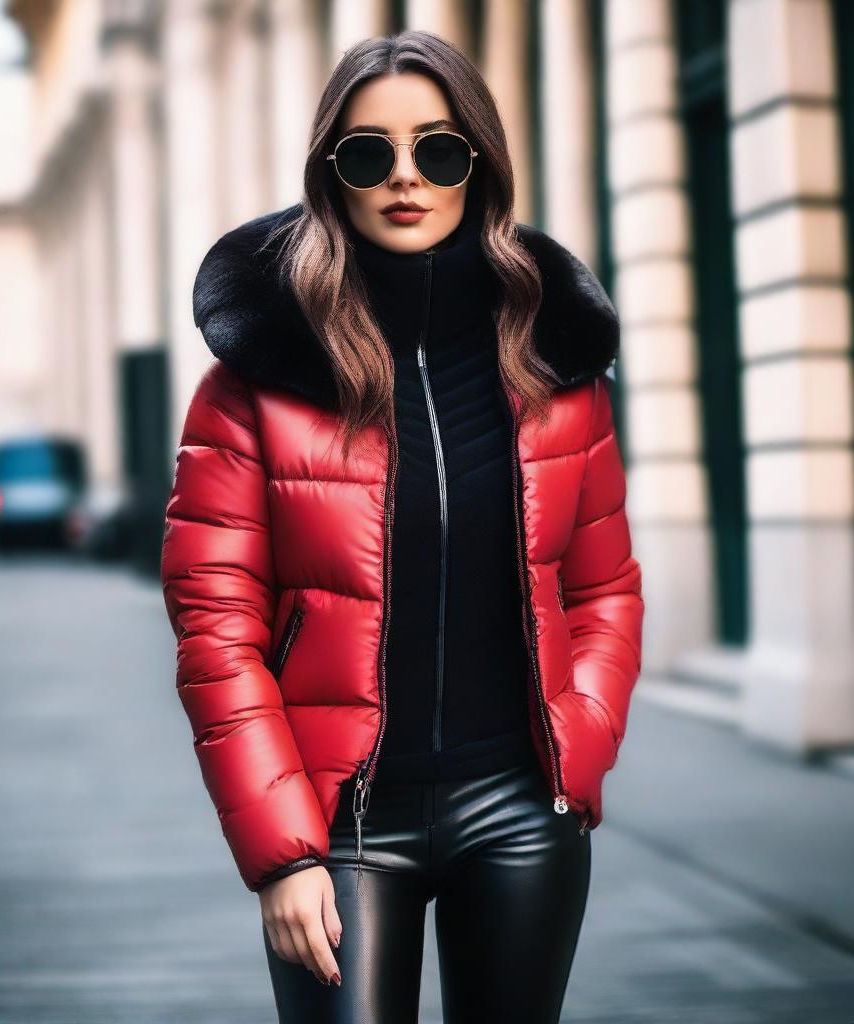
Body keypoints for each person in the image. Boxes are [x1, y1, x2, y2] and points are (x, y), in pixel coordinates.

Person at [161, 30, 644, 1024]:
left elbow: (602, 590)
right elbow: (217, 633)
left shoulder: (556, 369)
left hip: (519, 814)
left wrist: (580, 747)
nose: (406, 179)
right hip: (341, 824)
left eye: (439, 149)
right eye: (369, 154)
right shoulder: (253, 383)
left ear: (481, 162)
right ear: (330, 175)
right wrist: (285, 851)